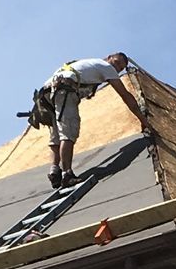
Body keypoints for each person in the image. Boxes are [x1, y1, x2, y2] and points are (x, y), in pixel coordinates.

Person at [36, 54, 144, 186]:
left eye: (120, 69)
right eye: (116, 63)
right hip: (64, 90)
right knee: (68, 132)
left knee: (57, 136)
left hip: (48, 93)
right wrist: (143, 120)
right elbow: (125, 95)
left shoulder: (89, 65)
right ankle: (67, 174)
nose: (116, 68)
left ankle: (54, 172)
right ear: (109, 57)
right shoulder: (106, 67)